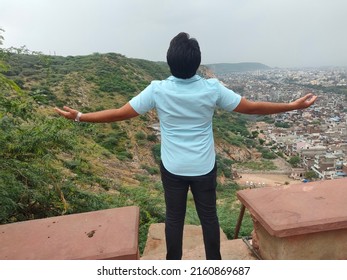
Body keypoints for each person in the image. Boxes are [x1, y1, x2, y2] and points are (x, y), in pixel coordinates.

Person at [55, 32, 317, 260]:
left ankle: (174, 264)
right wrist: (292, 105)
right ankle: (214, 263)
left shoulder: (157, 90)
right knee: (209, 217)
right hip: (204, 166)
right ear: (197, 63)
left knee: (174, 218)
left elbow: (119, 113)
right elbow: (252, 107)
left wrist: (80, 116)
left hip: (173, 167)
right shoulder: (211, 88)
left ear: (169, 62)